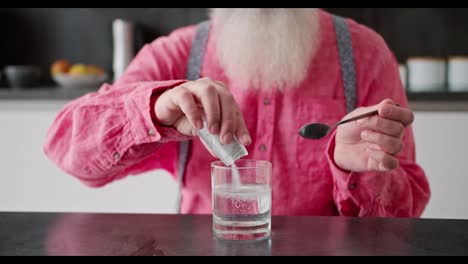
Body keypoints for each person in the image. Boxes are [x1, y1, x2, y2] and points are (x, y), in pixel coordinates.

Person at [44, 8, 430, 217]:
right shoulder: (179, 53)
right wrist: (155, 109)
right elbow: (66, 149)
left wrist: (363, 172)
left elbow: (406, 210)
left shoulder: (365, 53)